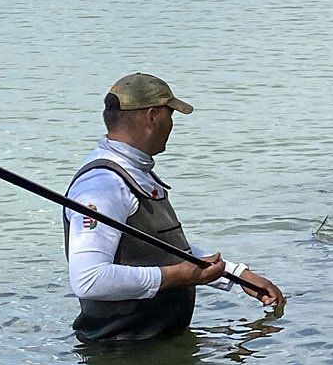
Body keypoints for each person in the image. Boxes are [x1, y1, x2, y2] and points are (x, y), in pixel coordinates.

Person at [62, 73, 284, 343]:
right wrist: (180, 276)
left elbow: (158, 251)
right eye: (171, 115)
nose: (172, 125)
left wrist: (235, 275)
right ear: (153, 116)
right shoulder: (102, 186)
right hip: (121, 355)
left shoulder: (136, 174)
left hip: (157, 345)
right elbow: (89, 280)